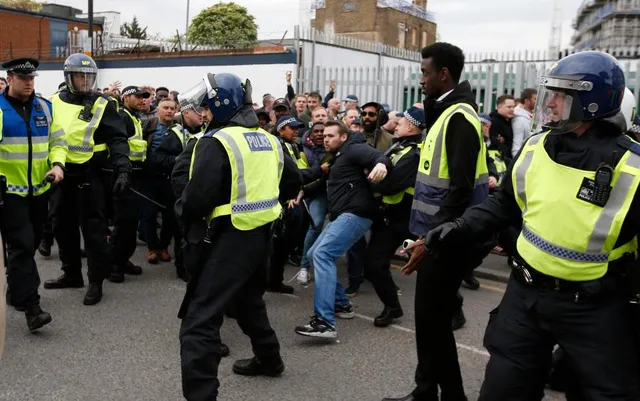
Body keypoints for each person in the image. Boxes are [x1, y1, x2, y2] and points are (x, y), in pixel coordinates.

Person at [423, 51, 640, 400]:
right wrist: (460, 227)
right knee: (502, 391)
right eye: (550, 93)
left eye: (561, 95)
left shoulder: (633, 167)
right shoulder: (535, 148)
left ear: (592, 104)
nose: (550, 103)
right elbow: (502, 205)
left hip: (595, 308)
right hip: (525, 297)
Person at [175, 72, 302, 401]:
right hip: (263, 236)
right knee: (248, 302)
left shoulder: (217, 141)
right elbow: (291, 182)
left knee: (199, 321)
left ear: (221, 104)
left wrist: (182, 210)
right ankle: (270, 359)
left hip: (228, 238)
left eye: (206, 107)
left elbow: (196, 199)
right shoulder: (270, 139)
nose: (203, 113)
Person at [383, 42, 489, 401]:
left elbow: (459, 191)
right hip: (440, 237)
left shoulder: (459, 117)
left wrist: (431, 240)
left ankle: (446, 395)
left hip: (447, 241)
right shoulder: (447, 113)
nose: (421, 78)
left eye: (425, 72)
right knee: (432, 325)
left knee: (433, 325)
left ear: (444, 74)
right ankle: (427, 391)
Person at [44, 54, 131, 306]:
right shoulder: (52, 102)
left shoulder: (103, 104)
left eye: (89, 77)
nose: (85, 81)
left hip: (91, 174)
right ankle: (71, 274)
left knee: (94, 231)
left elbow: (117, 139)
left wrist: (123, 169)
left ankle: (96, 281)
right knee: (62, 225)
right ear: (68, 77)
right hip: (61, 174)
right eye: (80, 76)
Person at [295, 120, 391, 338]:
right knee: (313, 254)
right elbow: (323, 182)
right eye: (324, 135)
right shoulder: (338, 158)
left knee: (322, 254)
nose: (325, 138)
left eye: (330, 135)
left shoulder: (353, 149)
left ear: (343, 137)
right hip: (343, 215)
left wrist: (382, 165)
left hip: (355, 214)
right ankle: (342, 305)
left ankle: (325, 322)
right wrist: (303, 192)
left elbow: (378, 157)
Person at [0, 58, 65, 331]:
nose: (29, 83)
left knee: (30, 243)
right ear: (10, 78)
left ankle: (16, 291)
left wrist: (58, 164)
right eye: (23, 78)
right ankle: (32, 307)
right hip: (9, 193)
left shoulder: (45, 108)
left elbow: (58, 141)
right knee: (23, 246)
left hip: (40, 190)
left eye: (32, 78)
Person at [368, 107, 424, 327]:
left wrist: (374, 178)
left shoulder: (416, 152)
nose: (395, 126)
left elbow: (391, 185)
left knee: (428, 267)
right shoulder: (399, 145)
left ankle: (455, 308)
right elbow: (384, 157)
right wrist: (381, 163)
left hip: (408, 220)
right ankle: (392, 306)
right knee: (374, 263)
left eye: (399, 123)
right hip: (390, 218)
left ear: (410, 126)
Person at [151, 99, 206, 281]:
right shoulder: (174, 133)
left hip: (199, 188)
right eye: (196, 111)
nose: (201, 114)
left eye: (202, 111)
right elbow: (157, 158)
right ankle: (182, 268)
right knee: (180, 229)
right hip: (177, 189)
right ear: (186, 113)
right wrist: (181, 160)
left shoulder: (207, 131)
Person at [107, 86, 149, 283]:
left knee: (130, 223)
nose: (142, 100)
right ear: (125, 97)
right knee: (123, 224)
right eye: (137, 97)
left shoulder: (134, 117)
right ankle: (114, 265)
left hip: (136, 175)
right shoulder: (122, 117)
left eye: (143, 97)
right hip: (125, 176)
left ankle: (123, 260)